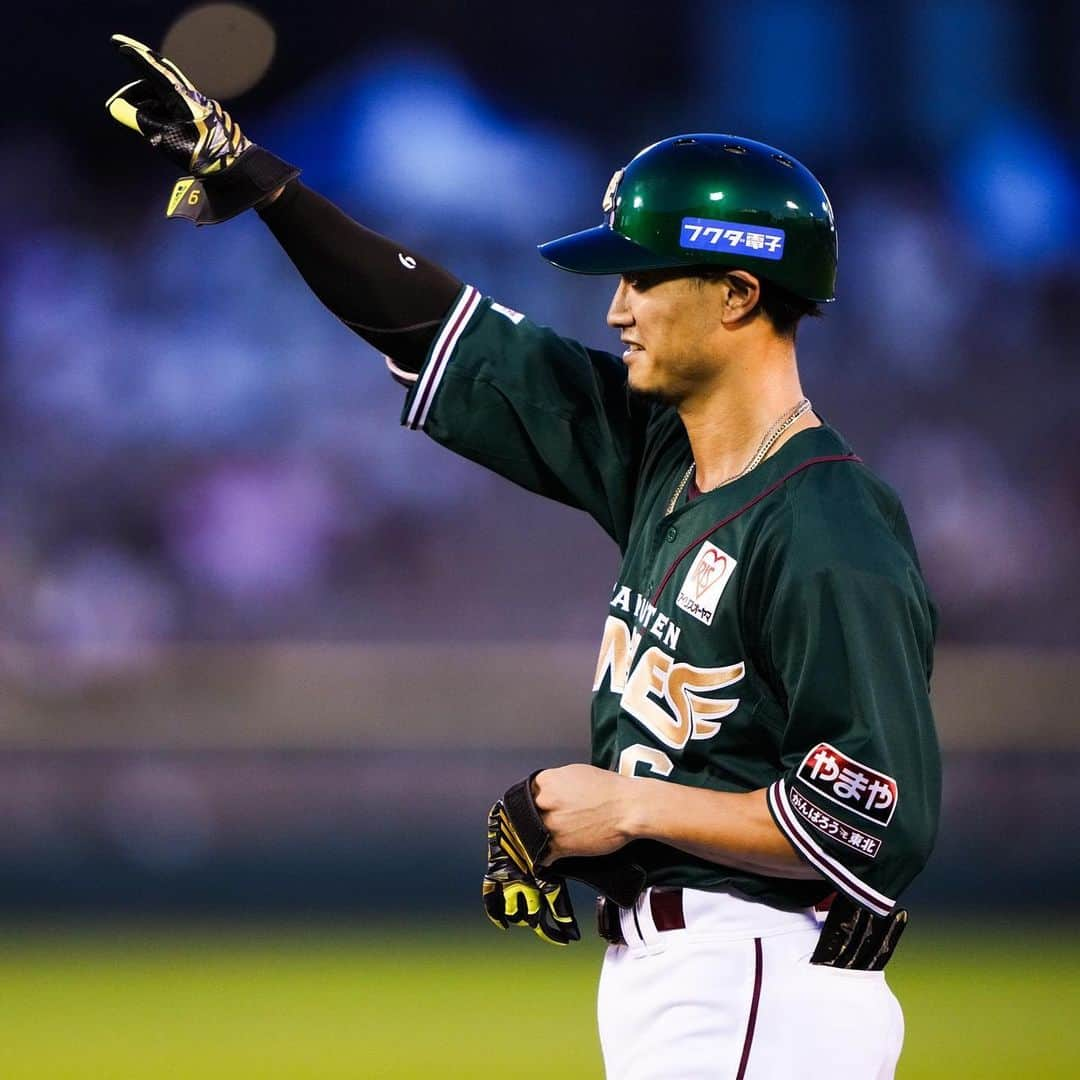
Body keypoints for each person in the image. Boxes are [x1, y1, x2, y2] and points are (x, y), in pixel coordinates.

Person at [107, 34, 941, 1079]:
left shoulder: (827, 523)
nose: (616, 307)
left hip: (761, 975)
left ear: (737, 293)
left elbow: (875, 822)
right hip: (691, 977)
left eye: (643, 277)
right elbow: (439, 329)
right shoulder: (660, 460)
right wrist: (273, 191)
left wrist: (626, 804)